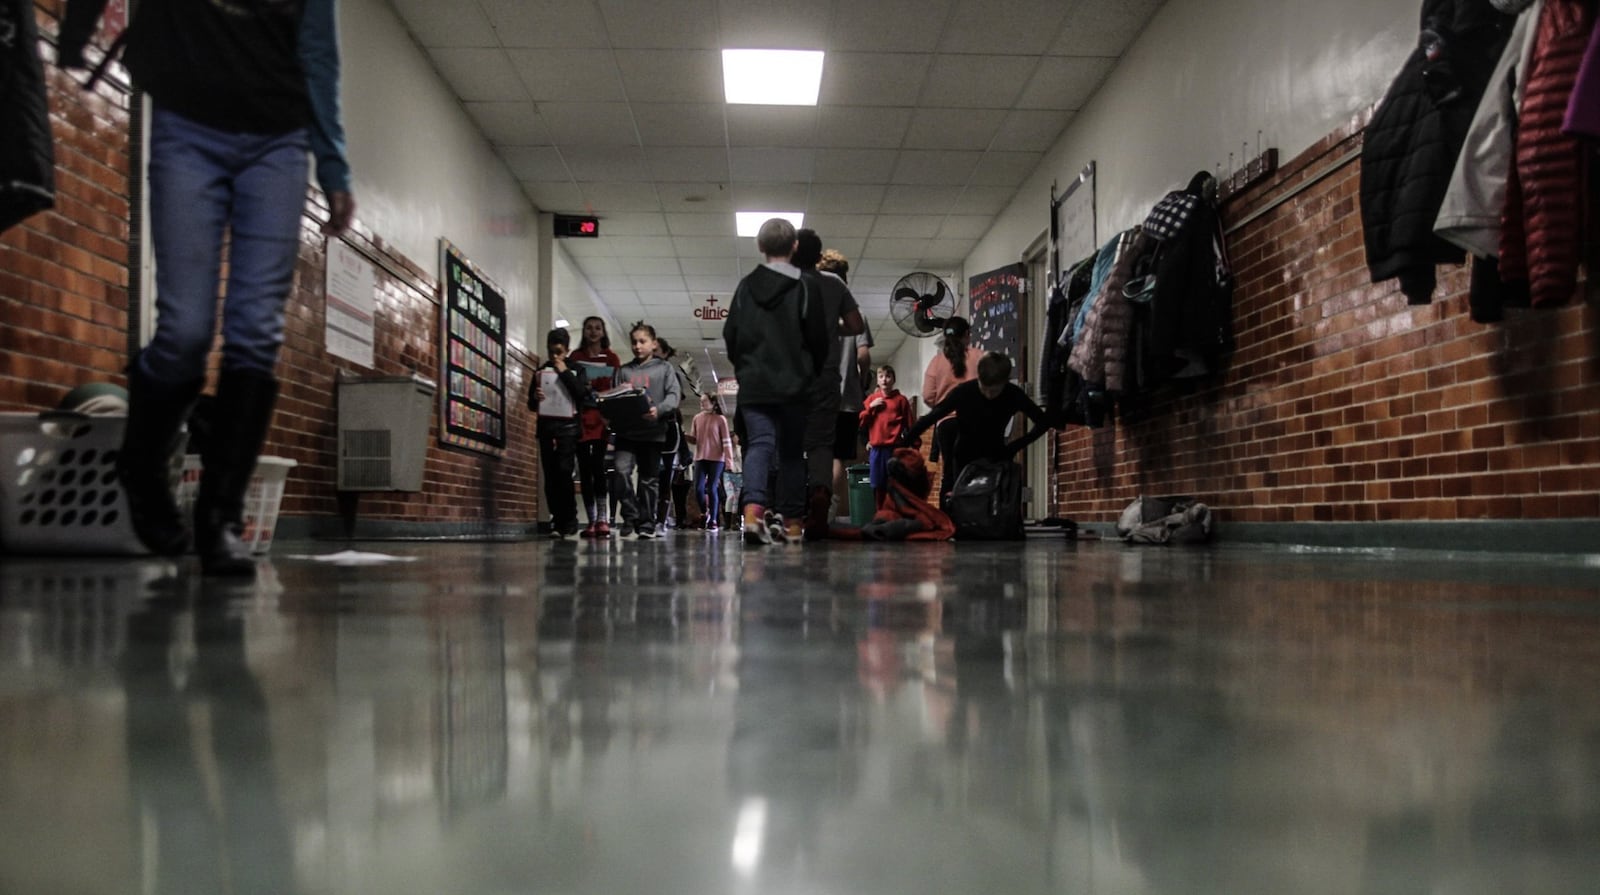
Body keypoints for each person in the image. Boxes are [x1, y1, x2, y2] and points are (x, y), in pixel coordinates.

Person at [60, 0, 355, 576]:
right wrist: (76, 32)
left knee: (255, 331)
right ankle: (141, 468)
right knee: (186, 329)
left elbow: (319, 56)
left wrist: (334, 166)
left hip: (278, 141)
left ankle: (220, 517)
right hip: (186, 125)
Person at [723, 218, 828, 546]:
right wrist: (811, 372)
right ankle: (793, 523)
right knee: (792, 453)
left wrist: (745, 369)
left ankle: (753, 510)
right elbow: (818, 337)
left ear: (760, 247)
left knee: (760, 444)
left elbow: (731, 333)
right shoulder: (806, 287)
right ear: (795, 247)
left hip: (755, 384)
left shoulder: (745, 287)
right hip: (794, 385)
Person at [793, 230, 865, 540]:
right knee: (823, 443)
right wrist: (828, 324)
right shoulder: (835, 284)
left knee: (792, 443)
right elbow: (855, 325)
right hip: (826, 376)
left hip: (792, 376)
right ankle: (821, 495)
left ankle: (791, 510)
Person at [904, 352, 1052, 491]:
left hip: (996, 455)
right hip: (964, 456)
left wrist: (1015, 446)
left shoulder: (1013, 394)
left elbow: (1043, 422)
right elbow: (931, 417)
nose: (988, 395)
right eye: (984, 389)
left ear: (1004, 382)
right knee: (964, 503)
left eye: (994, 391)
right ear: (979, 378)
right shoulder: (964, 392)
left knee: (997, 502)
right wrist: (904, 442)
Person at [609, 322, 681, 540]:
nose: (637, 346)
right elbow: (614, 398)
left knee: (648, 480)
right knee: (621, 471)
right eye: (634, 342)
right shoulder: (624, 371)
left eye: (642, 341)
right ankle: (631, 514)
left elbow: (674, 397)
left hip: (653, 432)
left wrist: (658, 410)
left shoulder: (665, 369)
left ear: (653, 343)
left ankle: (647, 523)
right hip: (626, 433)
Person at [818, 249, 873, 521]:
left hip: (817, 396)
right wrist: (860, 383)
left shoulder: (813, 314)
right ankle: (829, 509)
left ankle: (813, 503)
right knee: (839, 456)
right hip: (847, 398)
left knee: (818, 453)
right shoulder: (857, 315)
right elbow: (864, 356)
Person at [920, 316, 984, 506]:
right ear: (967, 335)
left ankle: (947, 518)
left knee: (949, 472)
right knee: (972, 470)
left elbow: (927, 396)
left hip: (946, 424)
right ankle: (972, 517)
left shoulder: (936, 362)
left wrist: (942, 407)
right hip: (974, 422)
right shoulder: (979, 357)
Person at [531, 327, 587, 539]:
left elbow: (581, 393)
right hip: (546, 429)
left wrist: (563, 370)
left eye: (559, 352)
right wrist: (536, 397)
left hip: (568, 429)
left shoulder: (576, 370)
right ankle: (557, 519)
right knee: (551, 476)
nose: (554, 356)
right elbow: (530, 403)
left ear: (567, 350)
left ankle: (569, 520)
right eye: (551, 351)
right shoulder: (541, 371)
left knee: (565, 473)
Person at [568, 316, 621, 538]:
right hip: (580, 419)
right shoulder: (575, 357)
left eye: (597, 328)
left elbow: (617, 388)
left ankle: (603, 519)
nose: (593, 332)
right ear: (584, 331)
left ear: (603, 332)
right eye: (589, 328)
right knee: (584, 469)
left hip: (602, 419)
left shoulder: (611, 358)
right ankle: (589, 521)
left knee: (598, 468)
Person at [859, 365, 912, 510]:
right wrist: (871, 407)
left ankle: (895, 516)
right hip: (877, 450)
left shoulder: (901, 400)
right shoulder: (871, 399)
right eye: (881, 376)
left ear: (893, 379)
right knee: (878, 486)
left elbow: (910, 425)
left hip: (894, 449)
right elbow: (861, 421)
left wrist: (914, 447)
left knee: (896, 485)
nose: (885, 380)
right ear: (877, 380)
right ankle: (880, 515)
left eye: (888, 376)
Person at [684, 394, 734, 531]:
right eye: (701, 401)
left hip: (717, 459)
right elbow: (695, 439)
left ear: (713, 403)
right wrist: (685, 437)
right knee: (699, 488)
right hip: (700, 458)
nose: (702, 403)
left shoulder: (721, 419)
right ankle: (703, 512)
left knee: (712, 488)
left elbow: (726, 442)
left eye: (704, 401)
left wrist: (729, 462)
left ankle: (713, 520)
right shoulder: (697, 418)